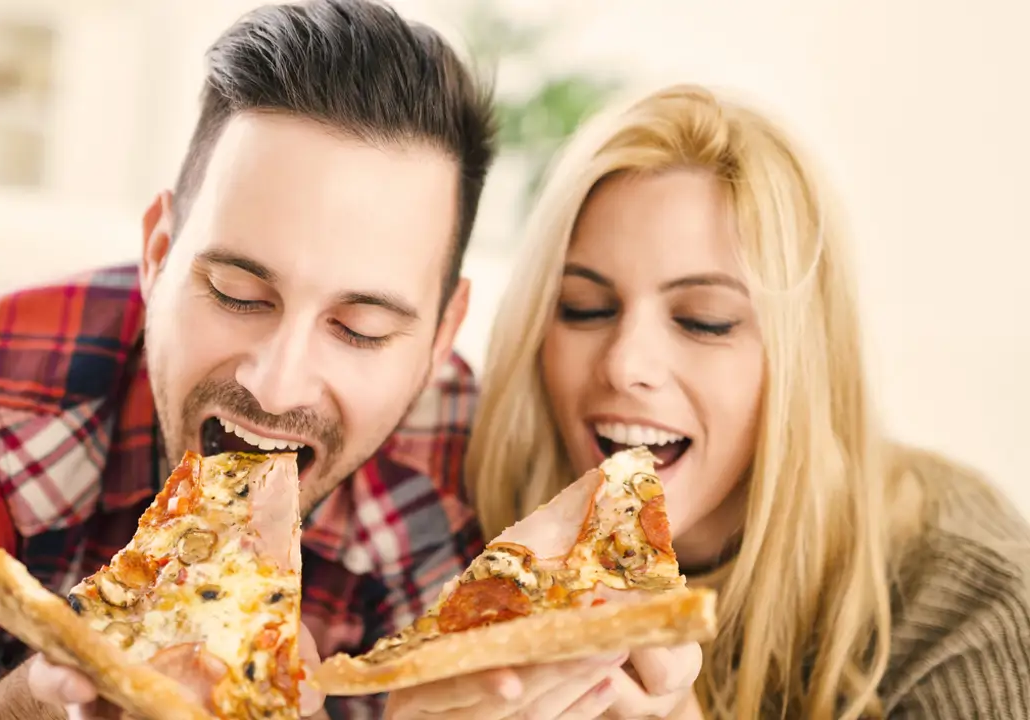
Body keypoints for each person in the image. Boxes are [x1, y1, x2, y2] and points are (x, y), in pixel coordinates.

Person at [0, 1, 497, 718]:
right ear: (159, 254)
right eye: (238, 293)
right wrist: (37, 707)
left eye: (361, 329)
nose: (276, 385)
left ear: (441, 335)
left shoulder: (469, 467)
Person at [385, 84, 1030, 719]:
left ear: (805, 361)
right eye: (586, 308)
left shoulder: (972, 604)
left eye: (704, 320)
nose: (626, 364)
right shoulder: (456, 518)